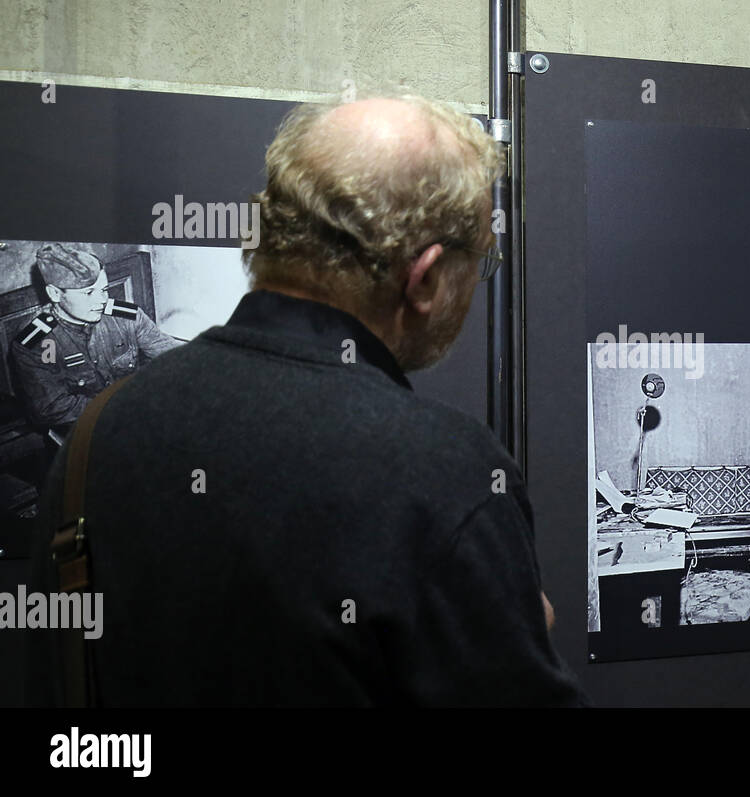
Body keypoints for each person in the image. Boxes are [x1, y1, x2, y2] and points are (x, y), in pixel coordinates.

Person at [24, 93, 586, 706]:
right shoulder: (447, 473)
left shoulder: (95, 438)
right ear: (424, 278)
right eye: (480, 260)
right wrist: (509, 641)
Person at [9, 244, 180, 437]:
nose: (101, 300)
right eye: (88, 293)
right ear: (55, 293)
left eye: (104, 289)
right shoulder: (37, 343)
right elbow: (52, 408)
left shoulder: (125, 317)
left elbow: (170, 353)